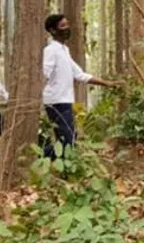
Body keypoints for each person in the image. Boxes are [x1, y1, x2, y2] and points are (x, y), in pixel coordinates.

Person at [42, 14, 116, 158]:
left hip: (65, 101)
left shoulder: (64, 50)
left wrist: (107, 83)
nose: (67, 28)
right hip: (55, 102)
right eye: (62, 26)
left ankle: (56, 165)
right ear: (52, 30)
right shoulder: (50, 50)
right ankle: (40, 157)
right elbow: (43, 74)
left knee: (68, 139)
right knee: (67, 142)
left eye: (67, 25)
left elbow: (80, 74)